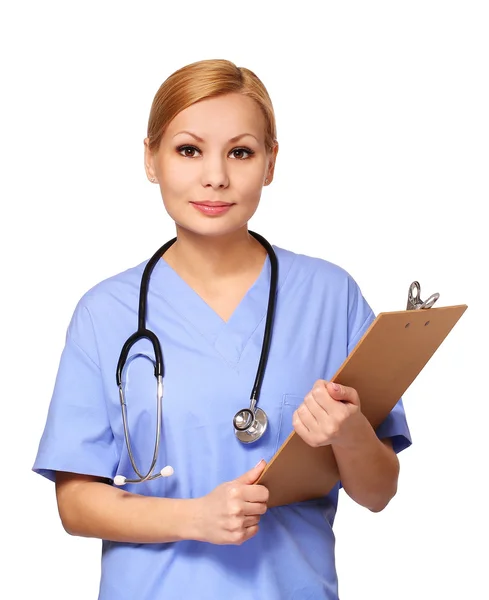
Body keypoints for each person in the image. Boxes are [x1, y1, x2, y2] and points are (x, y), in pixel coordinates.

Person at [32, 58, 412, 600]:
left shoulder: (331, 296)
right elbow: (74, 505)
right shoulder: (105, 312)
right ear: (151, 159)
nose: (216, 175)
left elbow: (378, 493)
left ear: (271, 162)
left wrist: (349, 433)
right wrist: (194, 518)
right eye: (189, 150)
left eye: (241, 151)